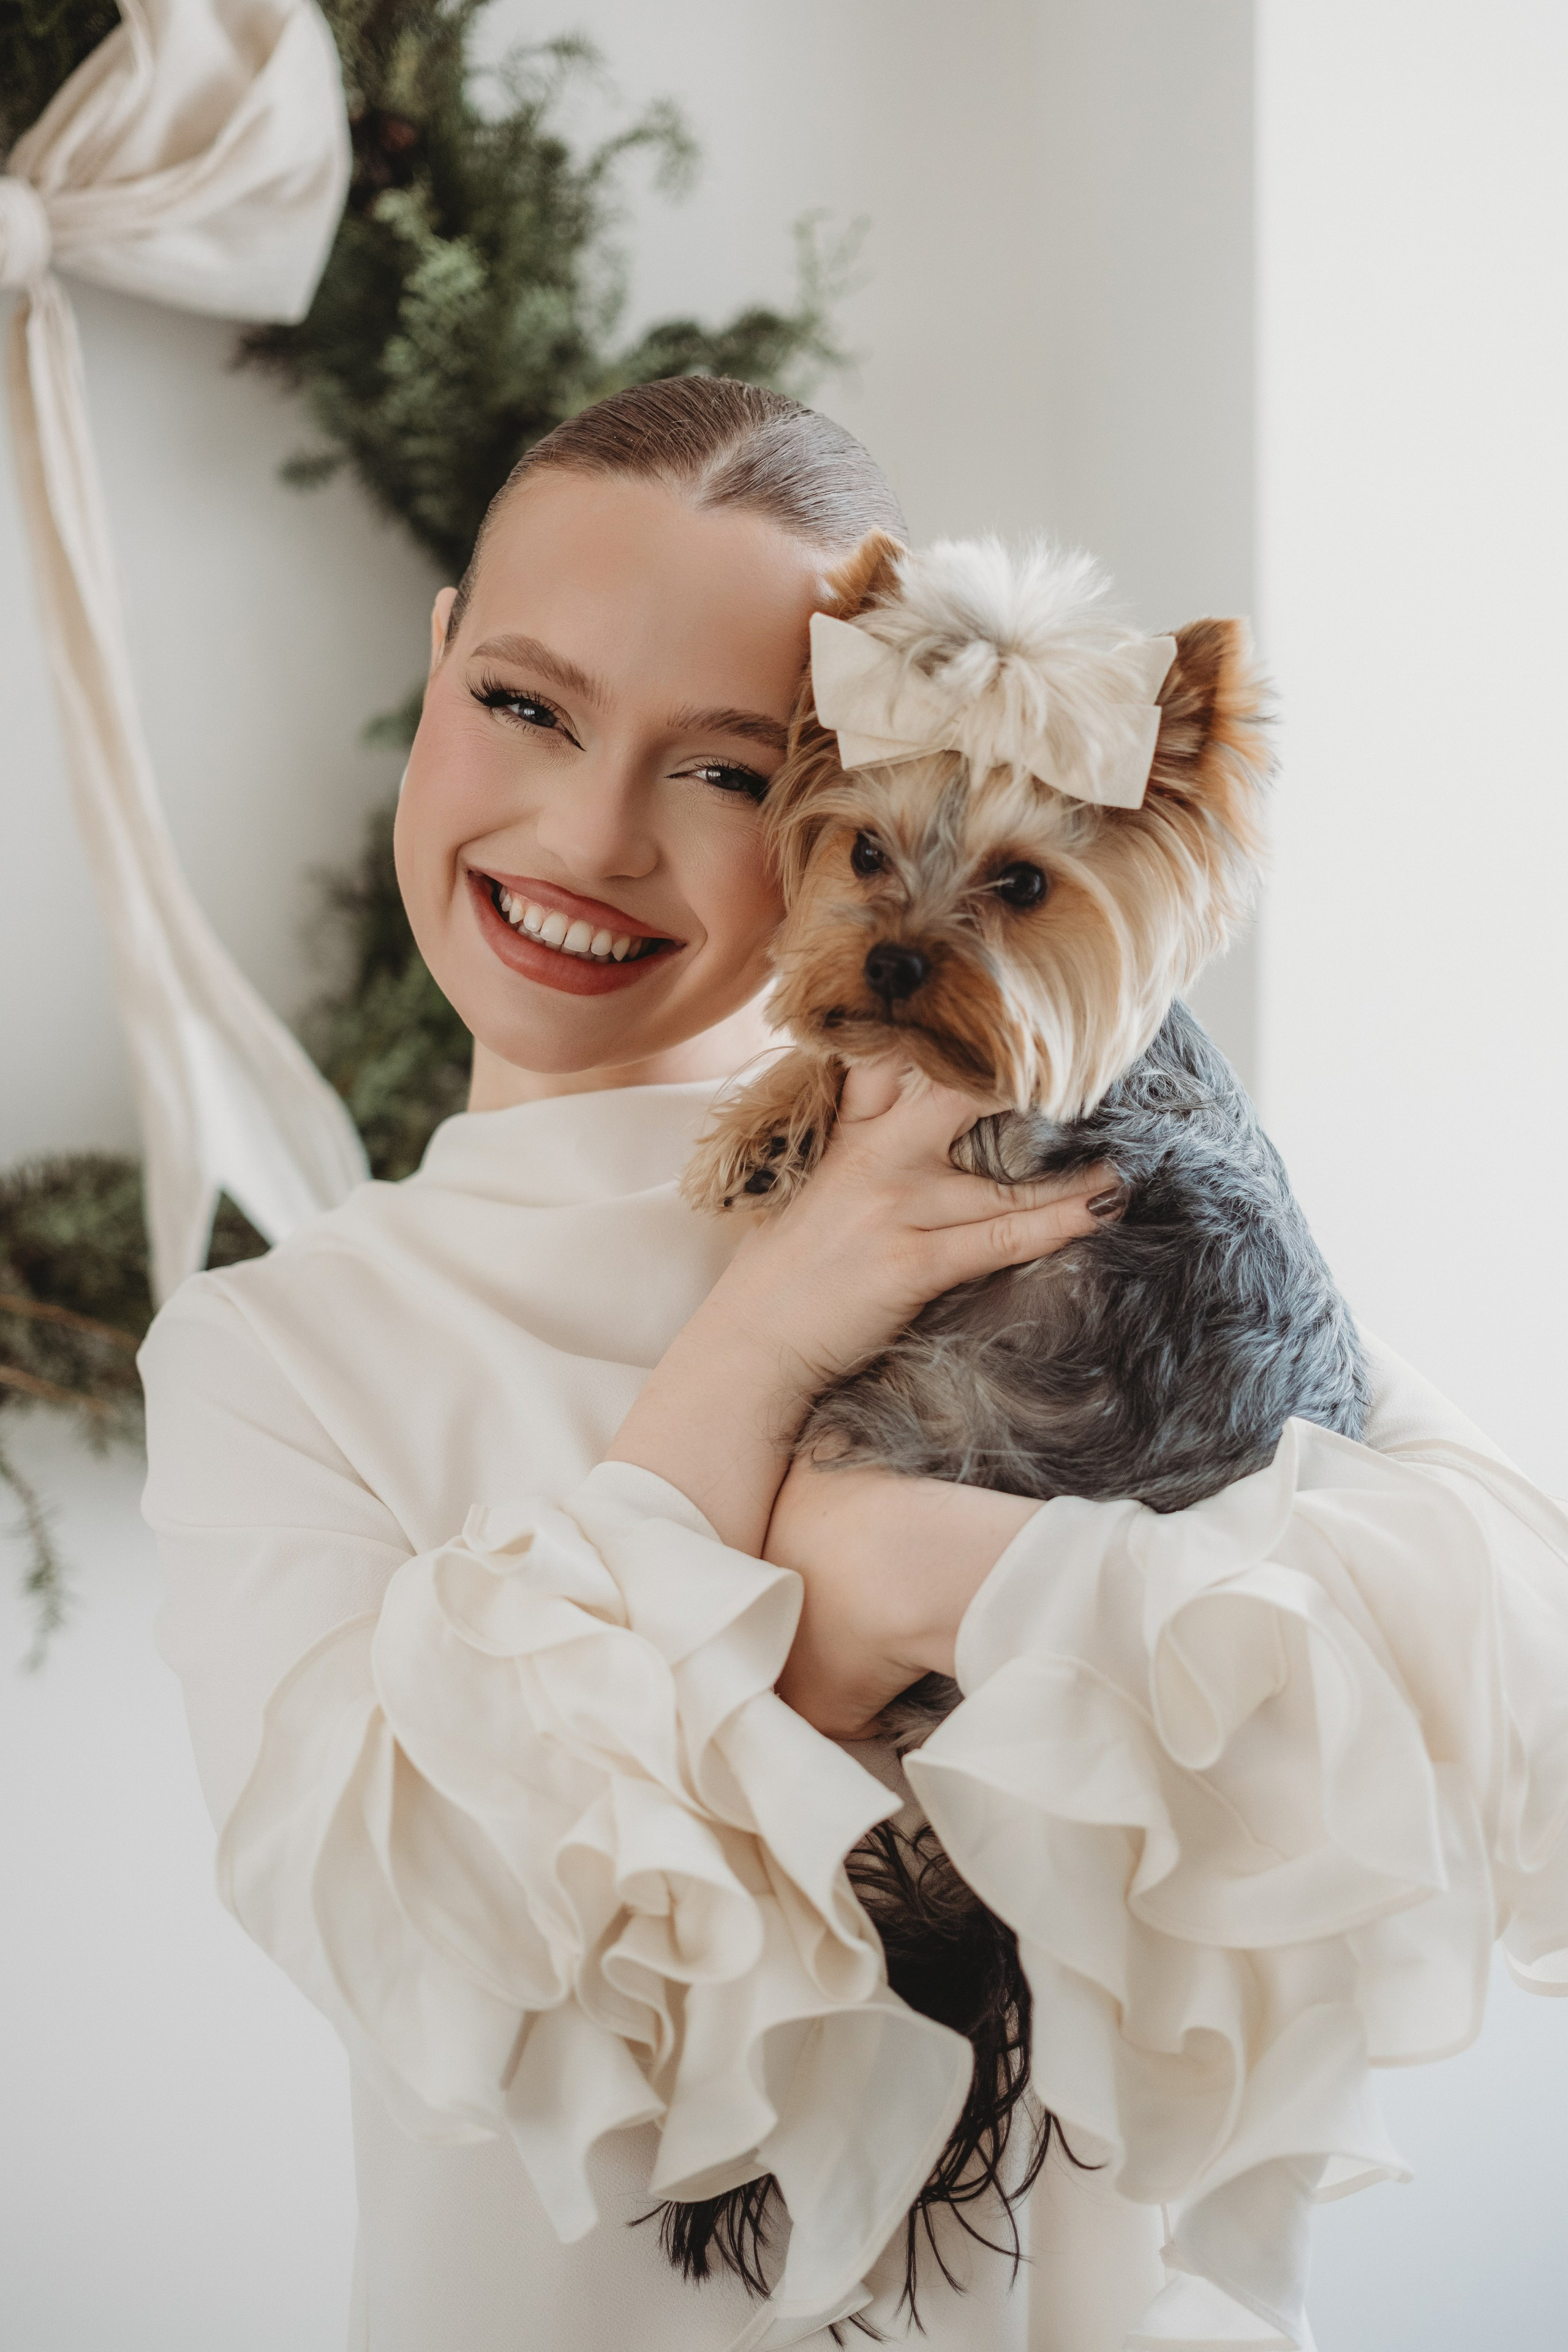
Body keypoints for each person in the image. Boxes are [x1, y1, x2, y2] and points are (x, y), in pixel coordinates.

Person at [141, 379, 1568, 2352]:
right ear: (440, 654)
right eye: (528, 703)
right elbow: (459, 1966)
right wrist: (772, 1361)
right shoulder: (277, 1359)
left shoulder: (1076, 1199)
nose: (589, 830)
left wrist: (911, 1564)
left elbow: (1492, 1698)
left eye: (726, 772)